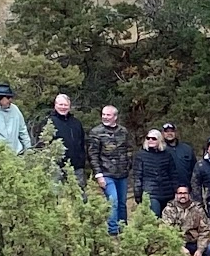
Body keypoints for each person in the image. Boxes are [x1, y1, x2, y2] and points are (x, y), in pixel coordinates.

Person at [88, 106, 134, 235]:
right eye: (103, 114)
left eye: (108, 115)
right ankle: (112, 230)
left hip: (122, 173)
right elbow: (93, 155)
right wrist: (98, 175)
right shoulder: (96, 132)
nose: (105, 117)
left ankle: (123, 229)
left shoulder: (123, 131)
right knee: (113, 201)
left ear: (115, 117)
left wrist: (128, 165)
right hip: (106, 173)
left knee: (122, 203)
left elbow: (129, 149)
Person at [161, 185, 210, 256]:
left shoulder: (198, 209)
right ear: (176, 195)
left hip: (192, 242)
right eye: (180, 193)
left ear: (189, 195)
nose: (182, 195)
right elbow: (166, 231)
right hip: (176, 242)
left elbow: (204, 231)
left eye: (185, 193)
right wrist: (179, 247)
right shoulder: (169, 209)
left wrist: (200, 250)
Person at [37, 94, 87, 188]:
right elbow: (42, 145)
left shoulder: (76, 123)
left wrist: (81, 162)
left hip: (76, 168)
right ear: (55, 105)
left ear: (69, 106)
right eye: (60, 104)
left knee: (79, 194)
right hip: (55, 168)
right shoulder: (48, 122)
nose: (63, 107)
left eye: (65, 105)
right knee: (54, 193)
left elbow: (82, 144)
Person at [134, 129, 174, 217]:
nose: (150, 140)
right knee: (155, 216)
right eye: (148, 138)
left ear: (159, 140)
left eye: (154, 138)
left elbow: (173, 174)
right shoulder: (141, 155)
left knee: (168, 219)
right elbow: (138, 176)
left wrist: (175, 190)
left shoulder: (167, 154)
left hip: (167, 193)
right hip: (150, 193)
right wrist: (138, 194)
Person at [160, 122, 196, 196]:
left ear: (176, 133)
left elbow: (195, 170)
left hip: (187, 190)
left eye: (172, 131)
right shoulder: (160, 150)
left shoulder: (187, 149)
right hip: (166, 191)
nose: (169, 133)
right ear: (162, 133)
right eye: (166, 131)